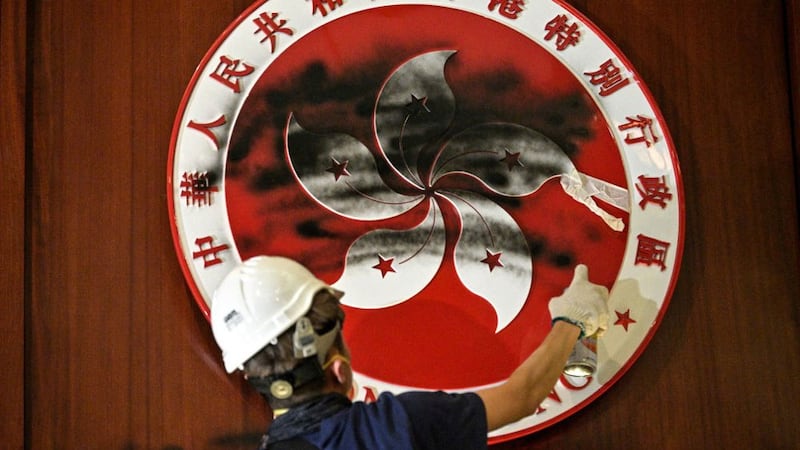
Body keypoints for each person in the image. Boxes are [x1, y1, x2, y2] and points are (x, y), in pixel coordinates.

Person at [210, 256, 609, 450]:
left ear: (250, 375)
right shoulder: (396, 426)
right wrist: (572, 318)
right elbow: (523, 396)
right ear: (339, 370)